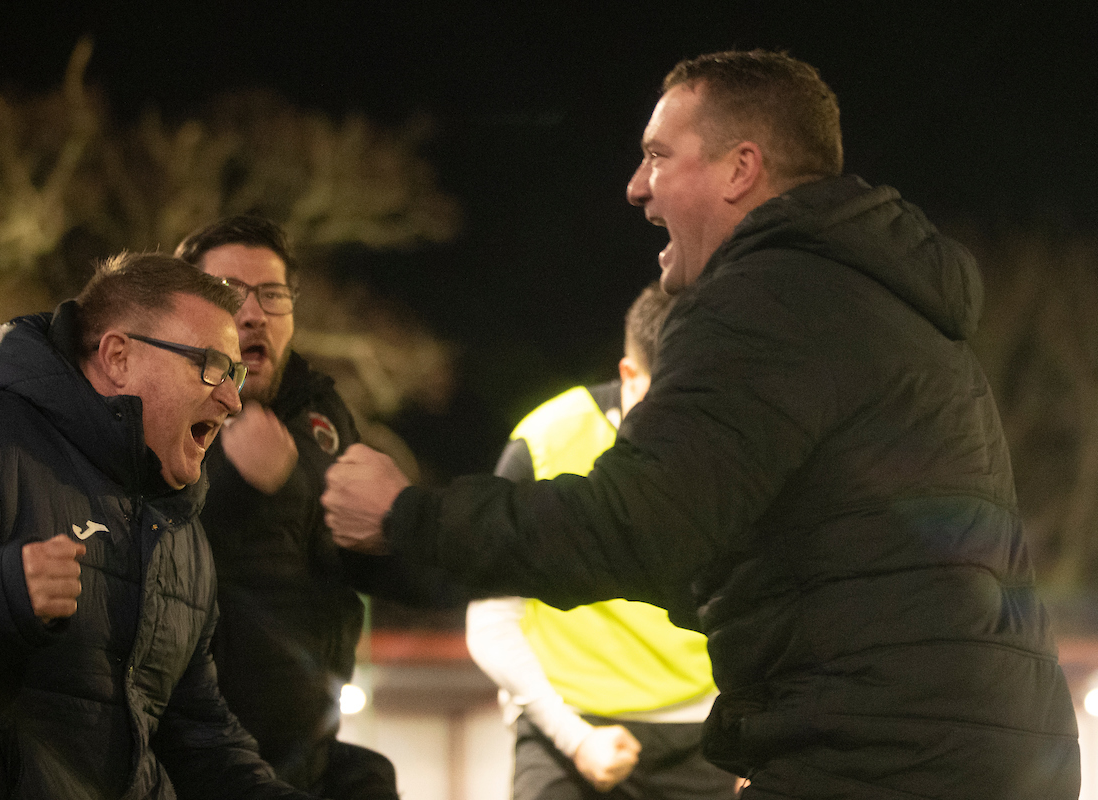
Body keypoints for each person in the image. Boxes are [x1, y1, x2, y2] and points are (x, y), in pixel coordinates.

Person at [322, 49, 1082, 799]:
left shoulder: (764, 301)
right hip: (995, 748)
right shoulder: (888, 310)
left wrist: (404, 514)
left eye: (658, 156)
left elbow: (636, 528)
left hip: (882, 757)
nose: (635, 188)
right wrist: (405, 559)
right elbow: (719, 564)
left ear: (739, 168)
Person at [0, 253, 318, 800]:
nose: (232, 398)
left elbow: (196, 737)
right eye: (212, 366)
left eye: (235, 373)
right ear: (118, 357)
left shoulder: (180, 526)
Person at [467, 282, 739, 800]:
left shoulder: (740, 445)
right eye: (668, 402)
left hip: (705, 737)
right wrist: (575, 739)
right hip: (567, 728)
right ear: (628, 376)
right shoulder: (545, 442)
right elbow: (489, 620)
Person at [175, 216, 399, 800]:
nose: (252, 314)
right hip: (197, 767)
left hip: (309, 753)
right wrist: (238, 486)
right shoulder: (153, 410)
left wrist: (407, 525)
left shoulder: (320, 413)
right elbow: (139, 559)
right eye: (226, 294)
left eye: (271, 295)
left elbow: (353, 556)